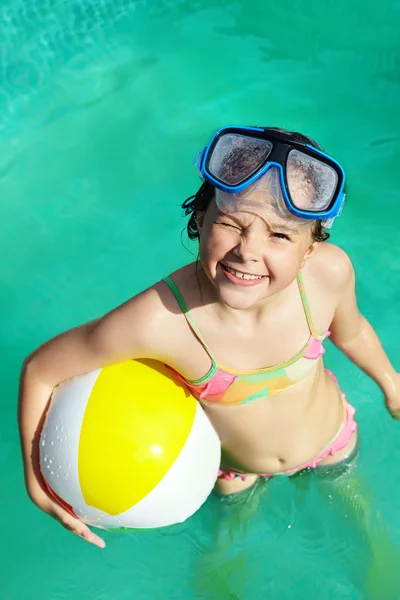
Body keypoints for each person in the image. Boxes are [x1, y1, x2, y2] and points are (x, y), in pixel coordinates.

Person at [18, 125, 400, 550]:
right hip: (234, 471)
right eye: (233, 224)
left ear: (309, 248)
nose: (248, 250)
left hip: (332, 438)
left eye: (279, 235)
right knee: (225, 552)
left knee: (367, 531)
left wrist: (392, 384)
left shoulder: (328, 274)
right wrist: (37, 482)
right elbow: (40, 371)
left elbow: (354, 331)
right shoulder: (159, 321)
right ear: (200, 219)